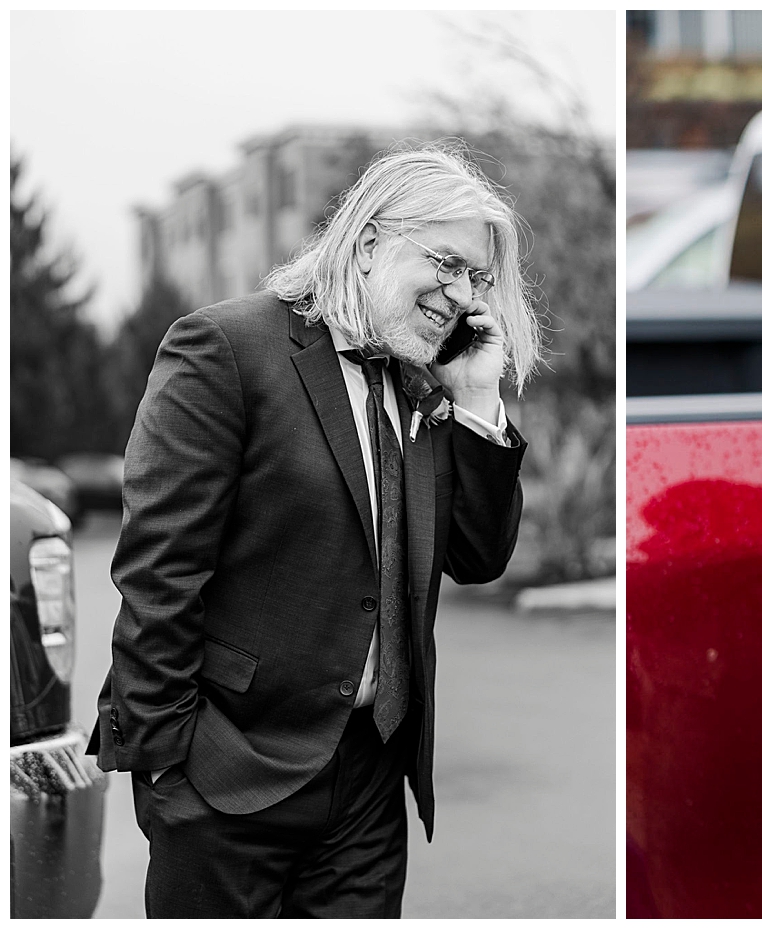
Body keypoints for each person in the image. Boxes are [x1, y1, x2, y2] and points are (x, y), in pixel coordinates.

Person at [88, 145, 545, 918]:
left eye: (478, 278)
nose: (463, 294)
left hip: (368, 785)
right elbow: (159, 574)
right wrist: (170, 771)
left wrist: (474, 398)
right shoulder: (224, 351)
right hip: (225, 775)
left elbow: (477, 555)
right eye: (447, 262)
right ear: (368, 242)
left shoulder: (428, 378)